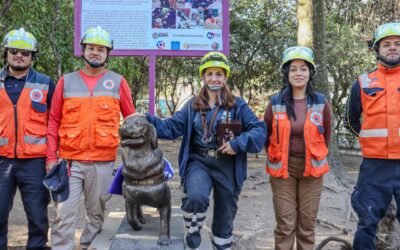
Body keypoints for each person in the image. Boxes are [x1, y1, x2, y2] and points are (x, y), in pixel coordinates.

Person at [141, 51, 266, 249]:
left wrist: (237, 143)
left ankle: (221, 244)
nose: (214, 78)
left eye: (219, 74)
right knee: (195, 197)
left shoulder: (238, 105)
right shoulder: (192, 105)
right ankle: (193, 228)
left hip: (228, 165)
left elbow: (259, 130)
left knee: (224, 218)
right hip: (199, 161)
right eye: (209, 74)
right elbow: (172, 127)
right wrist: (149, 121)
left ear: (225, 77)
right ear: (203, 77)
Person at [46, 26, 135, 250]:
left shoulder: (118, 81)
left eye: (101, 49)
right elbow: (53, 121)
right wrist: (50, 157)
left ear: (107, 54)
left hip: (103, 163)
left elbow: (133, 122)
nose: (95, 52)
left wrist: (133, 158)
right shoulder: (66, 82)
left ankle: (88, 246)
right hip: (70, 163)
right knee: (63, 213)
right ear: (83, 51)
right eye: (91, 48)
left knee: (96, 215)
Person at [264, 46, 332, 250]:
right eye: (293, 69)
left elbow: (326, 135)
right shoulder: (275, 102)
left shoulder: (321, 102)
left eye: (303, 69)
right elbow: (266, 134)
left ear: (310, 72)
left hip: (312, 169)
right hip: (282, 170)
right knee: (285, 225)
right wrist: (279, 154)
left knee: (307, 224)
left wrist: (314, 154)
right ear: (286, 73)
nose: (298, 73)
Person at [344, 22, 400, 250]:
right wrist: (370, 139)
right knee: (367, 221)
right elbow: (350, 120)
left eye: (397, 44)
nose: (392, 48)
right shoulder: (362, 82)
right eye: (386, 44)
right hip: (375, 166)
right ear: (377, 49)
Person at [0, 27, 55, 250]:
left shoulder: (45, 83)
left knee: (37, 217)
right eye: (14, 50)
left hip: (35, 162)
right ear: (6, 53)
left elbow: (54, 122)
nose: (19, 55)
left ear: (33, 56)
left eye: (25, 52)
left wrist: (53, 157)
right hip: (1, 160)